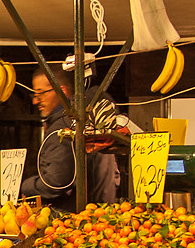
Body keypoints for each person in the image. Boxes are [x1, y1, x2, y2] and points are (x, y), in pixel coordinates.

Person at [21, 70, 128, 208]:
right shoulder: (92, 120)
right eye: (34, 95)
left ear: (62, 91)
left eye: (41, 93)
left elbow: (57, 182)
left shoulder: (64, 128)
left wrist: (26, 186)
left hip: (76, 218)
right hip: (102, 211)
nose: (36, 100)